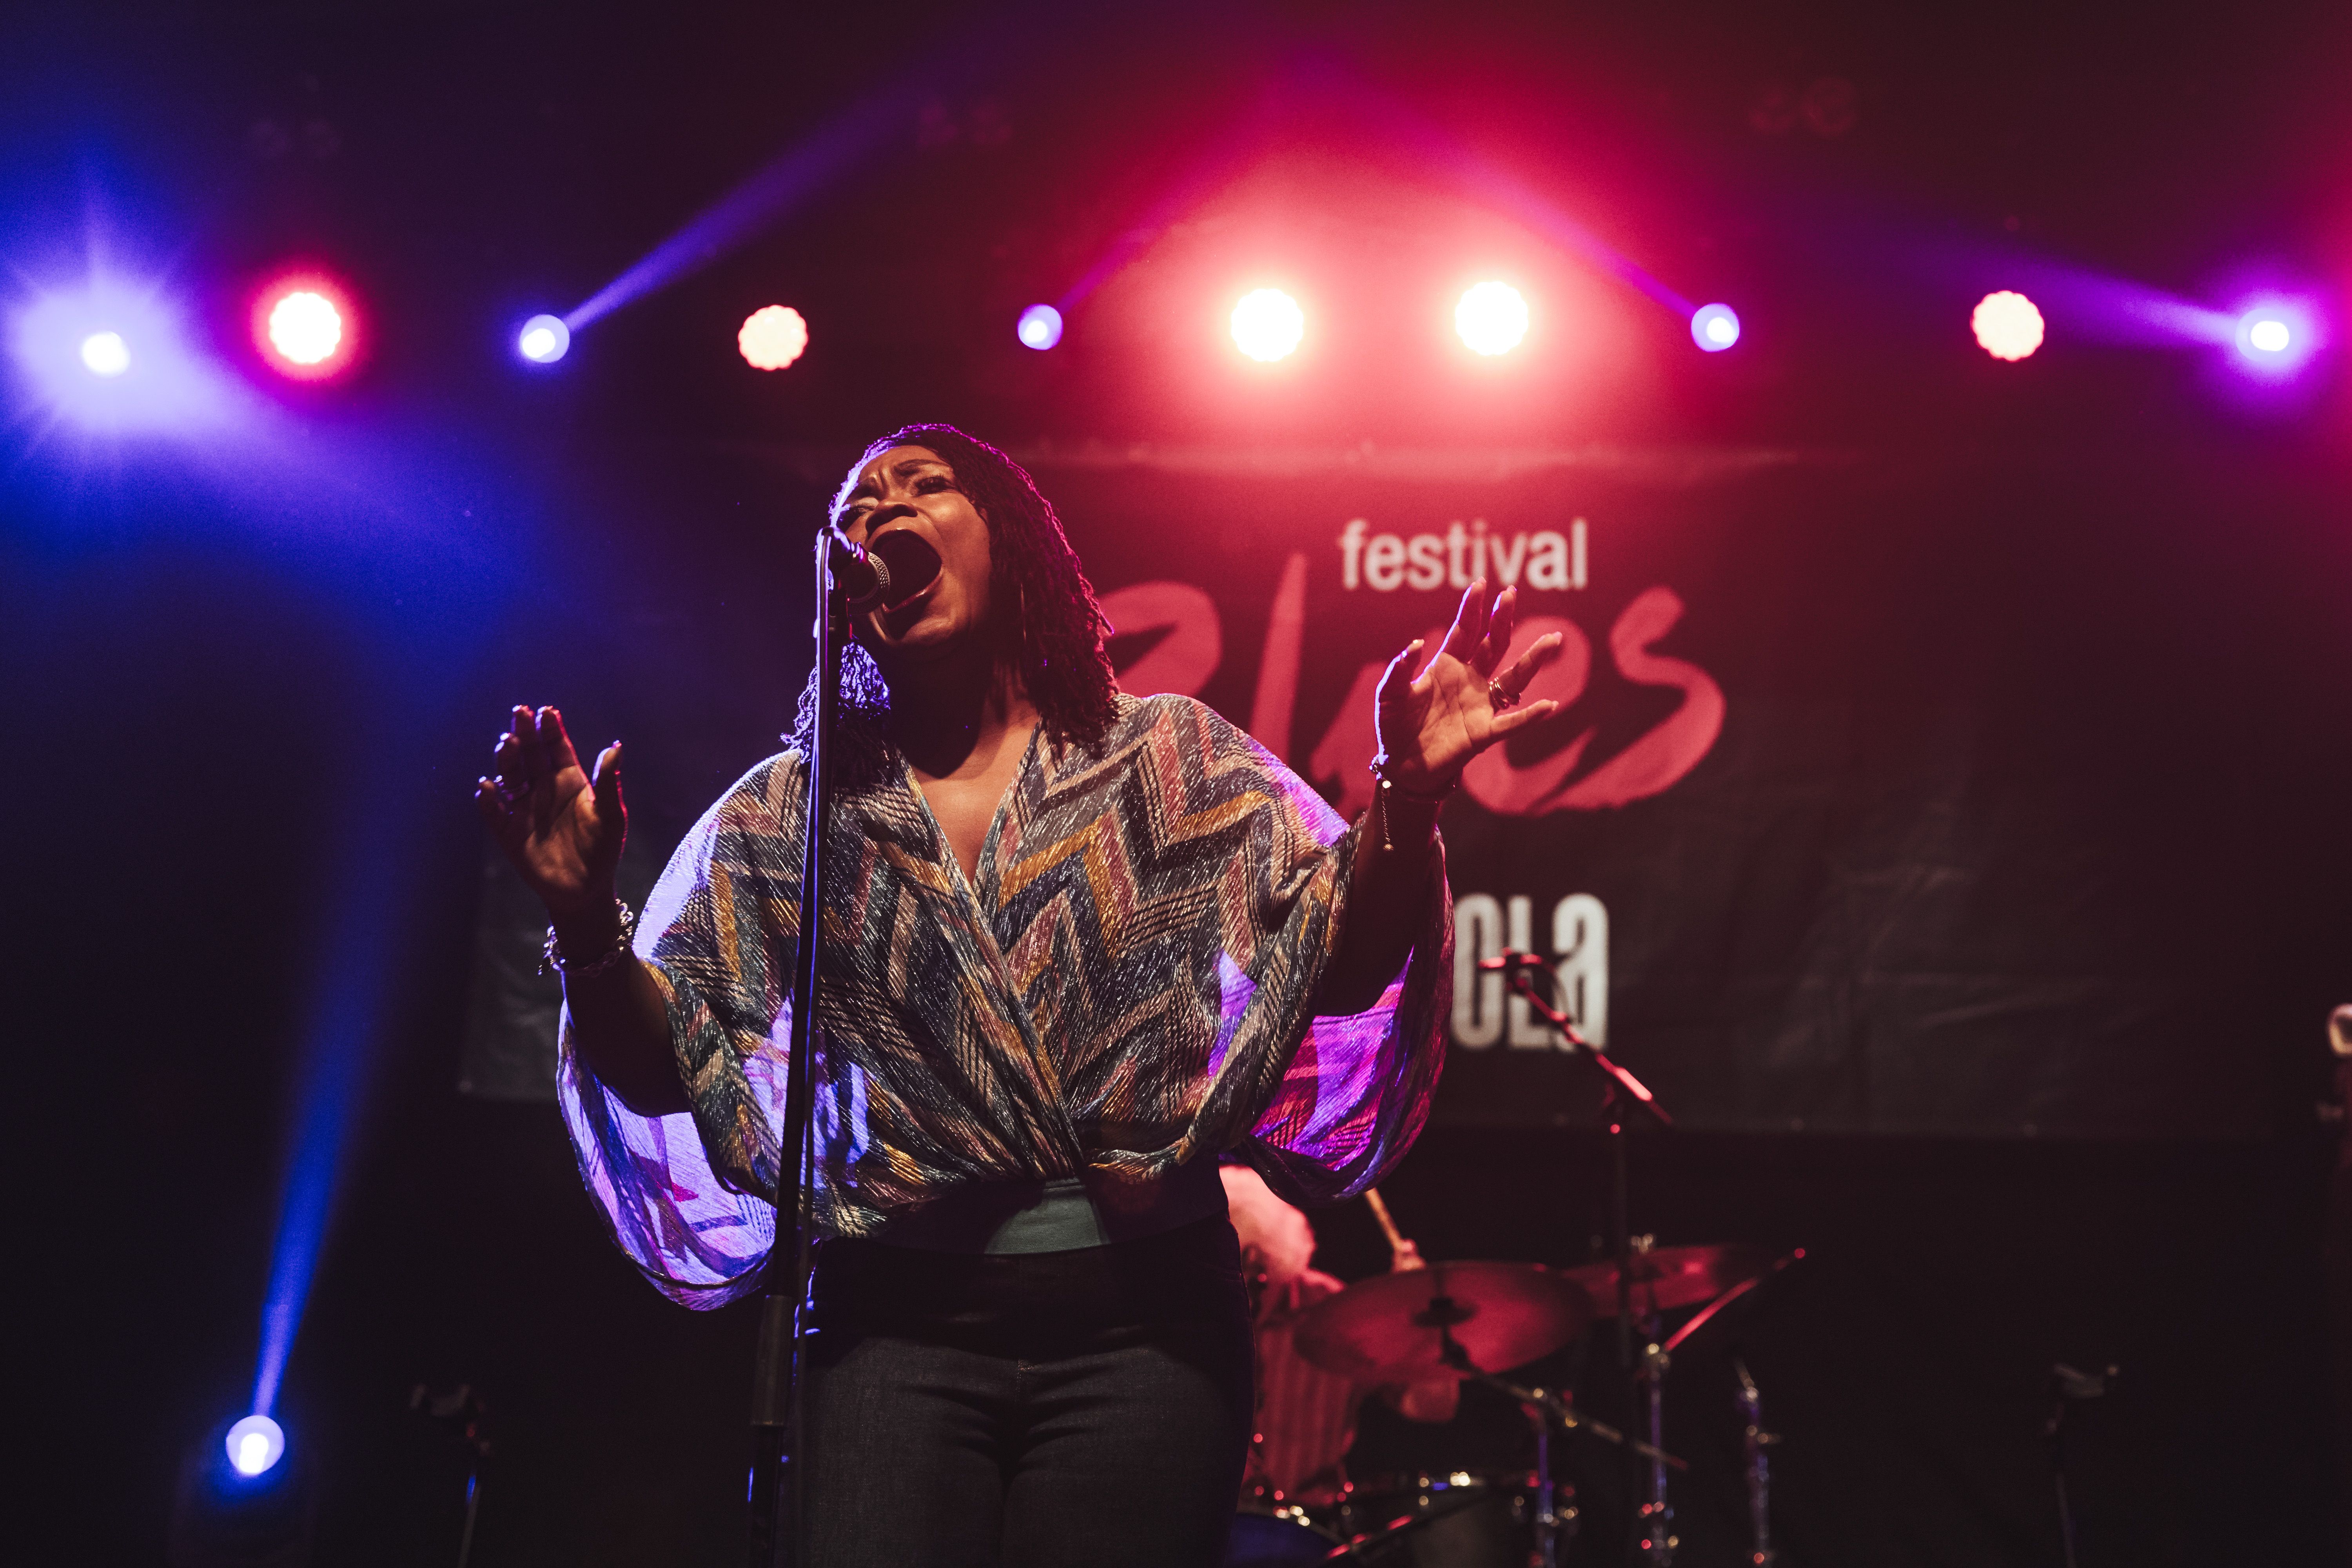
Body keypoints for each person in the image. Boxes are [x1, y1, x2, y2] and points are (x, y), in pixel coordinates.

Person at [473, 424, 1564, 1566]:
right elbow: (668, 1072)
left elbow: (1338, 960)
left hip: (1148, 1328)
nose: (882, 514)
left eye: (924, 486)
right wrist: (585, 924)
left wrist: (1408, 800)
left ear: (1015, 545)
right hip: (888, 1331)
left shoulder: (1169, 759)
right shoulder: (791, 814)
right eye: (856, 509)